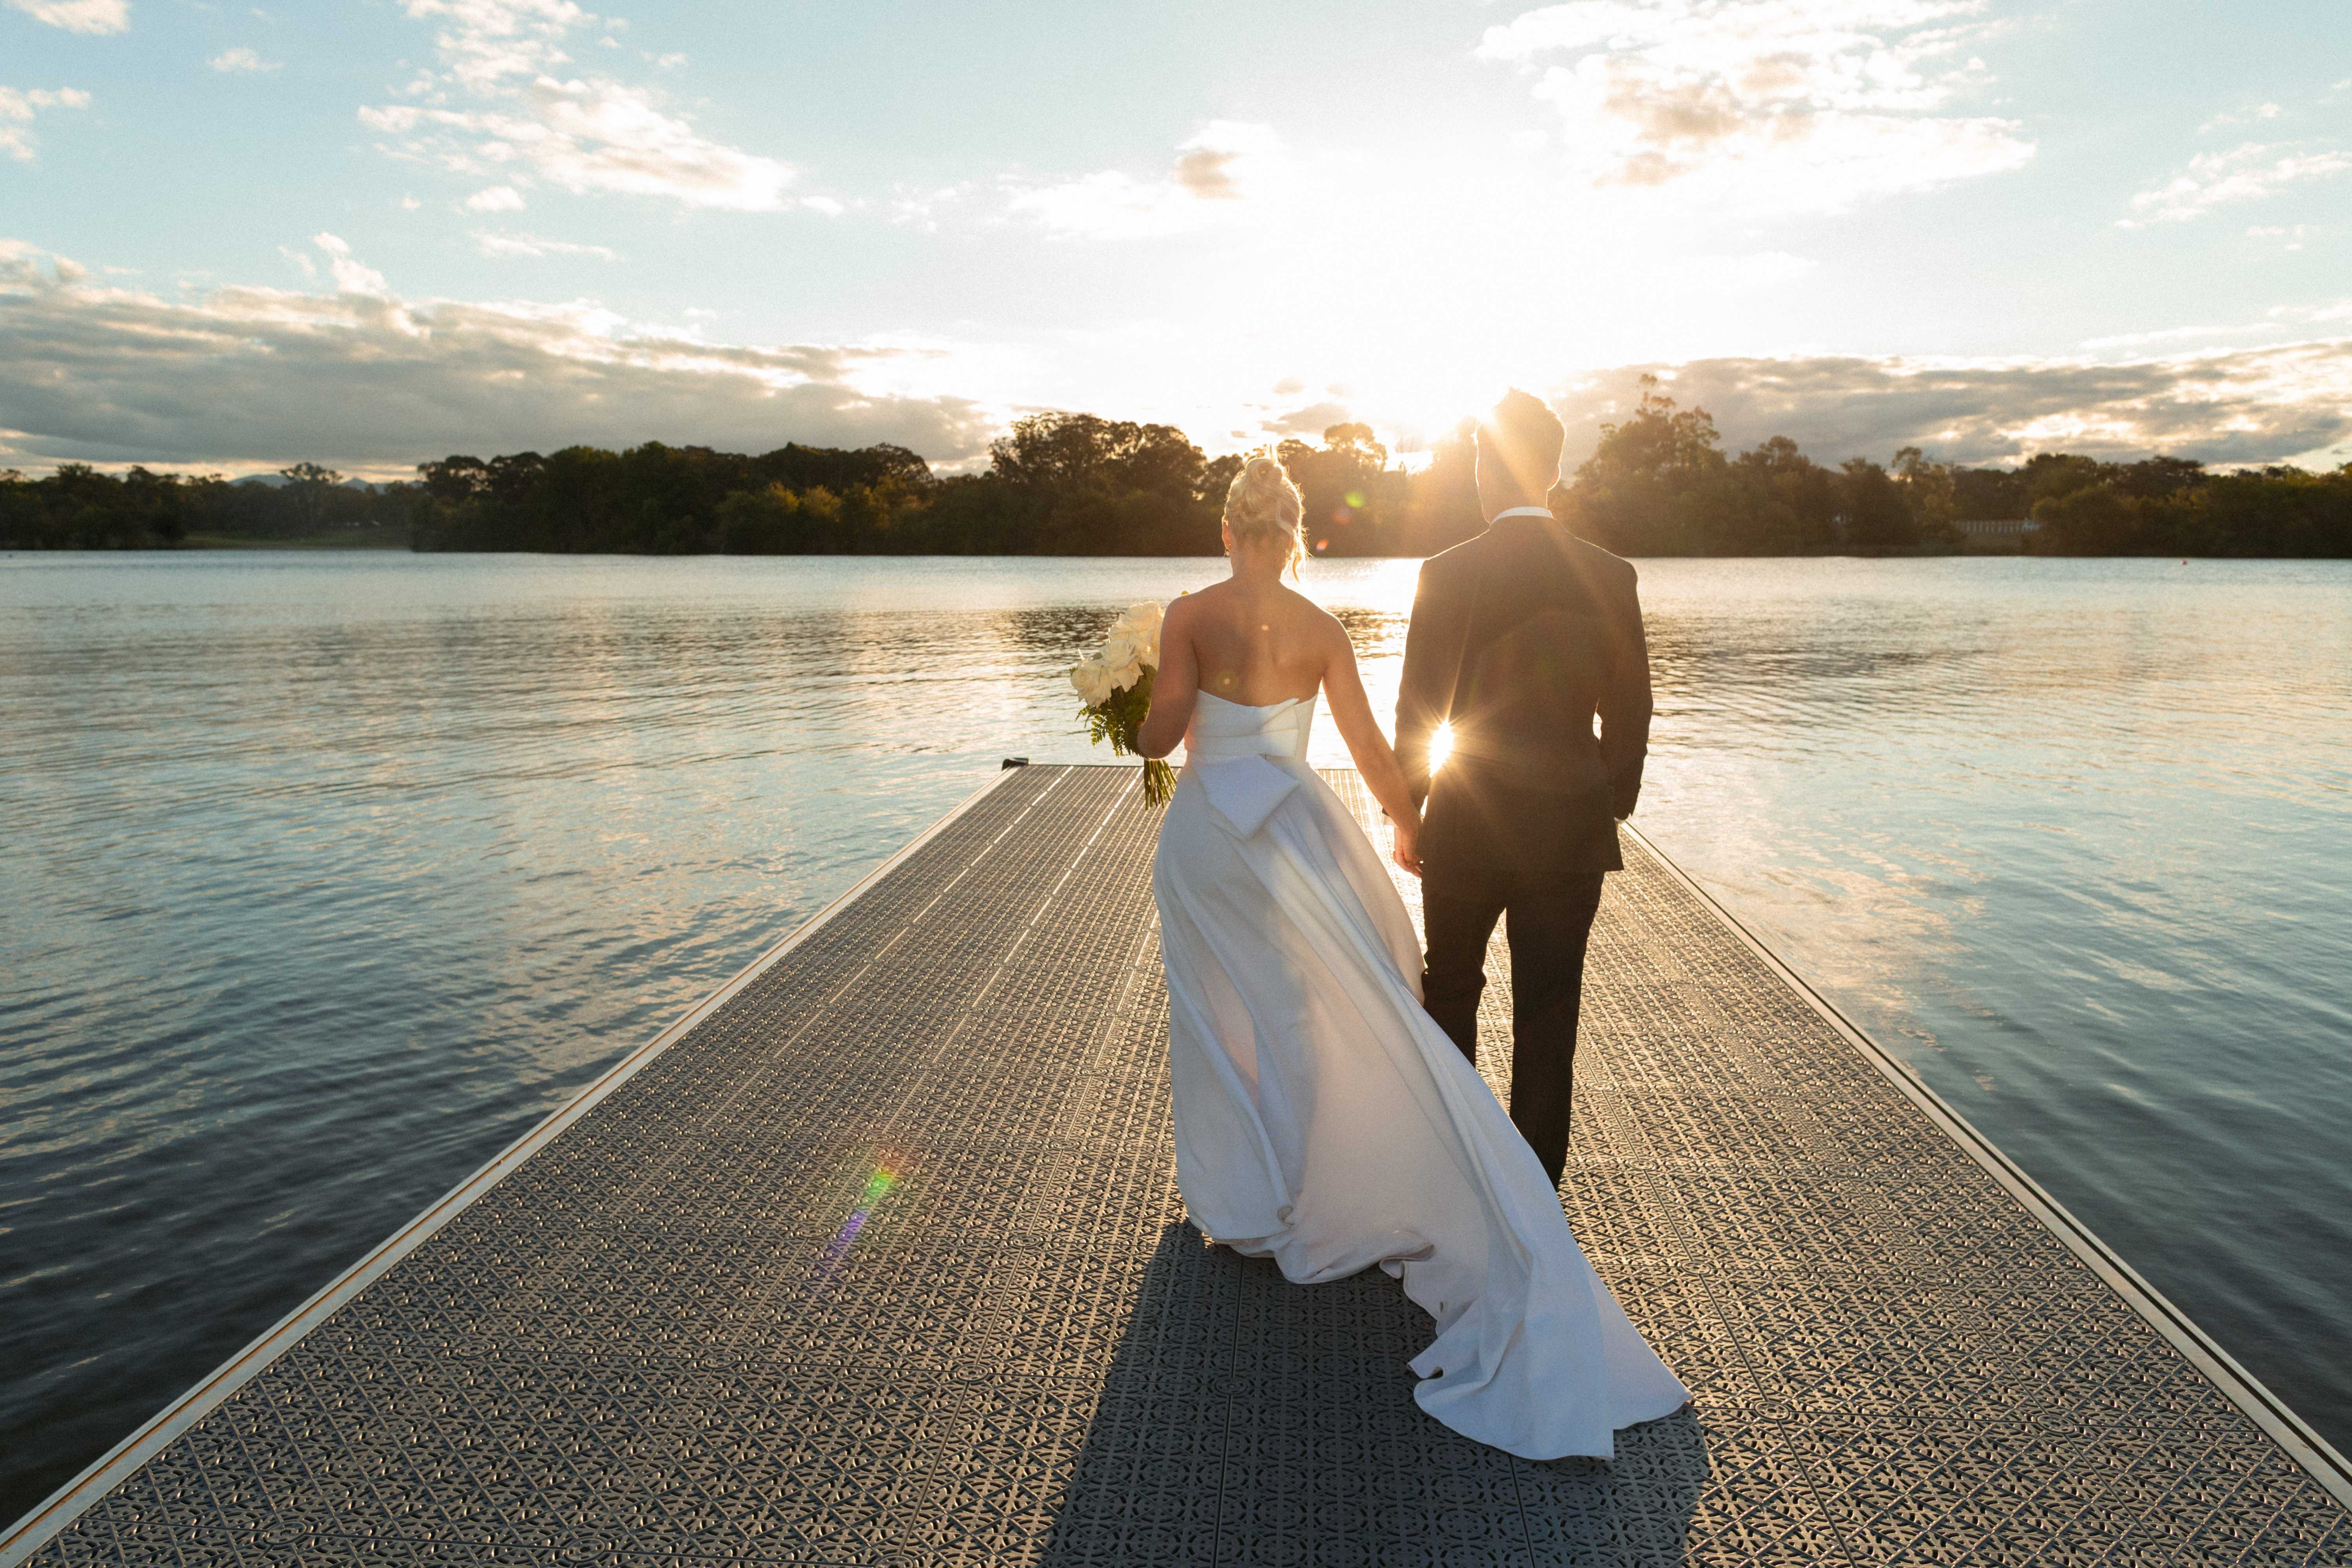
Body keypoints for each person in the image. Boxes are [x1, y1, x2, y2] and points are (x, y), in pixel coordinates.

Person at [1135, 453, 1685, 1460]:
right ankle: (1458, 1188)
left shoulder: (1194, 613)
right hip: (1321, 832)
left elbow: (1164, 737)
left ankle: (1258, 1192)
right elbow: (1381, 748)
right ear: (1294, 535)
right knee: (1342, 1007)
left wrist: (1133, 700)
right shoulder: (1328, 627)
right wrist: (1414, 818)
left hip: (1222, 834)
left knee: (1234, 1004)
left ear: (1226, 529)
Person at [1394, 390, 1652, 1188]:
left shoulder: (1445, 572)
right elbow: (1633, 708)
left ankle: (1454, 1175)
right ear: (1554, 471)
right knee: (1549, 1012)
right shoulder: (1610, 575)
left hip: (1466, 821)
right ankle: (1536, 1193)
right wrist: (1607, 801)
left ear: (1487, 470)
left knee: (1451, 994)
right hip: (1570, 829)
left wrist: (1409, 812)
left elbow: (1417, 709)